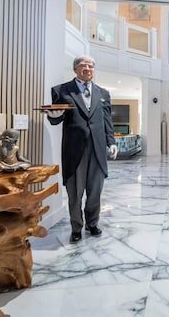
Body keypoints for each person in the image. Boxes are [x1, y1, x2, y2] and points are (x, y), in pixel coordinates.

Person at [43, 55, 118, 243]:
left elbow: (107, 120)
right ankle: (76, 227)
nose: (88, 68)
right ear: (75, 69)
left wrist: (112, 142)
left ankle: (92, 223)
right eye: (83, 65)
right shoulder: (61, 90)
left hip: (97, 149)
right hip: (74, 150)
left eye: (91, 65)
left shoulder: (103, 93)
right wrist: (53, 115)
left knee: (95, 190)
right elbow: (56, 118)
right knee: (75, 192)